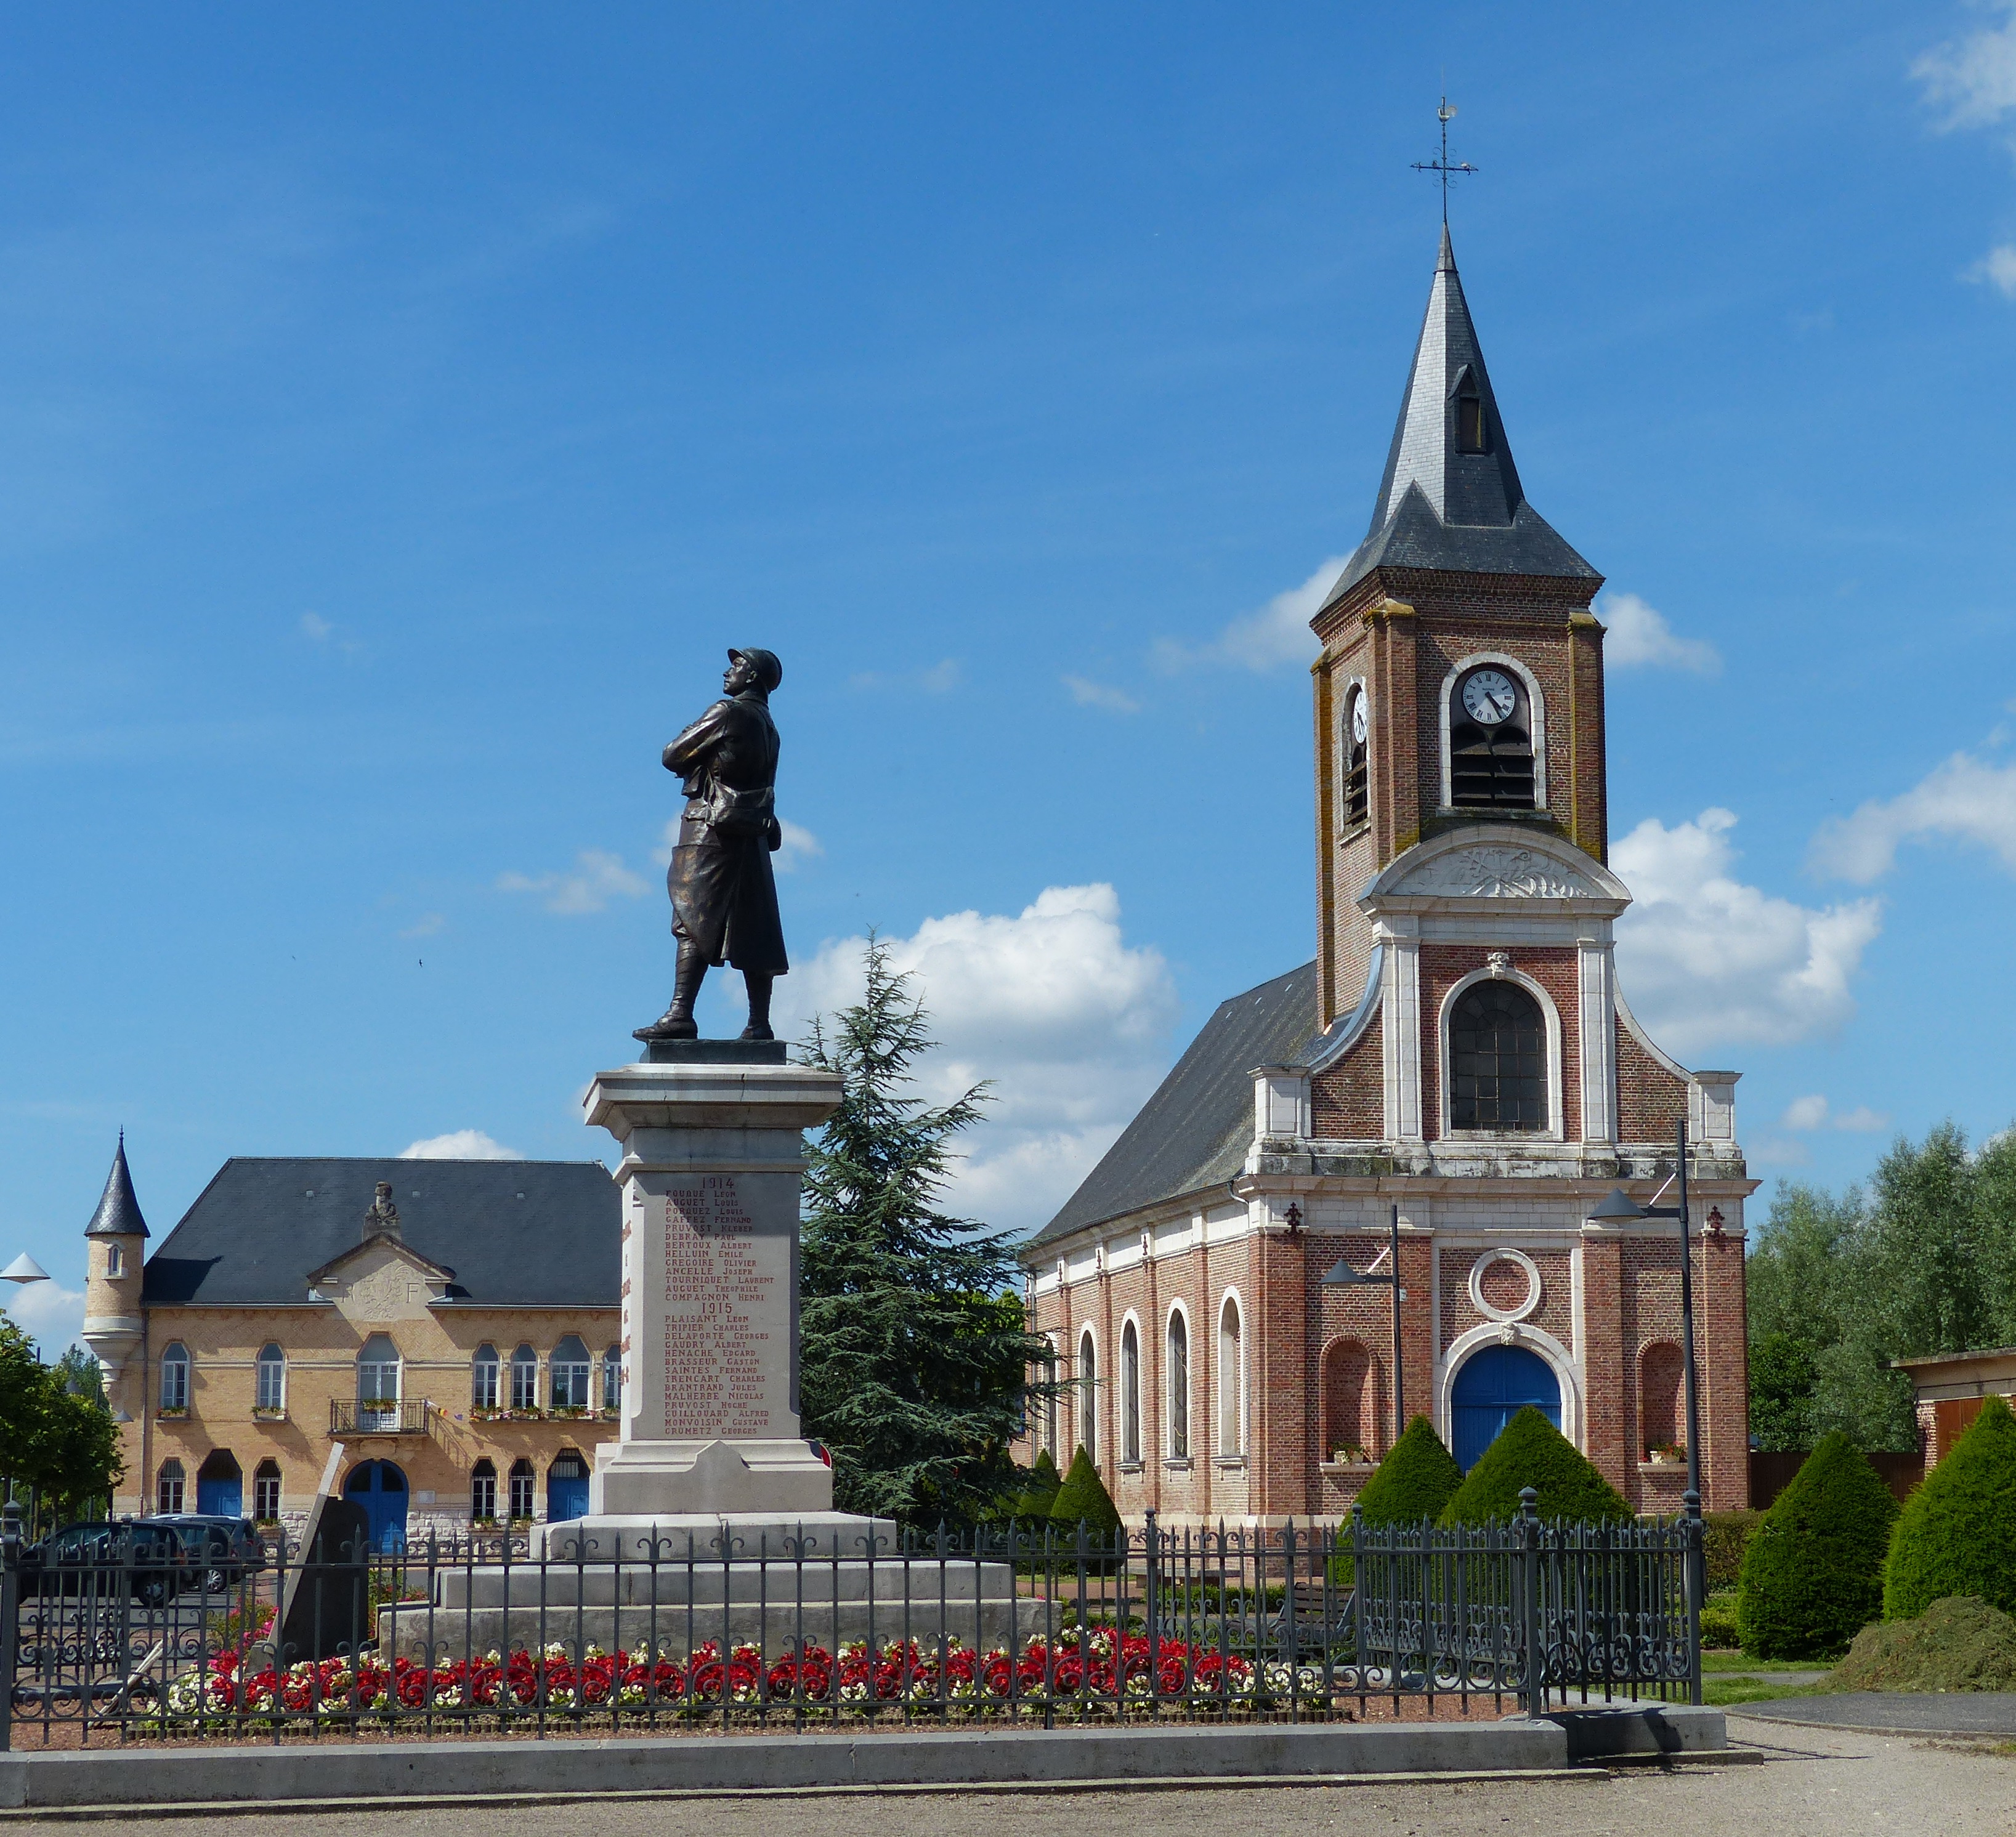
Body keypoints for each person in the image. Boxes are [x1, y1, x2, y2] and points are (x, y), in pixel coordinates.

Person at [635, 647, 788, 1041]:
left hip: (711, 828)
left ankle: (680, 1013)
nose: (727, 671)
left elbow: (672, 755)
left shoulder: (726, 712)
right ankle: (759, 1024)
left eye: (736, 666)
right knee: (754, 923)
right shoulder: (770, 726)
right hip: (753, 829)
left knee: (692, 917)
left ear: (752, 676)